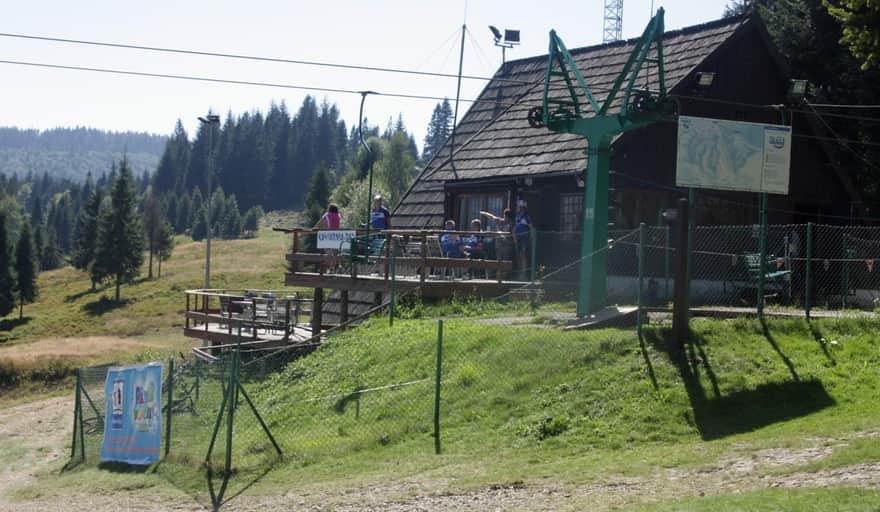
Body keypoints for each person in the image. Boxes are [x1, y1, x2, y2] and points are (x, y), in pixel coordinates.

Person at [314, 204, 341, 271]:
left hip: (328, 234)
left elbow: (319, 223)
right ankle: (332, 268)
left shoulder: (327, 214)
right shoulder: (338, 215)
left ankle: (328, 268)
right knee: (334, 253)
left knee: (328, 252)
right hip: (337, 235)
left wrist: (314, 229)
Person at [514, 200, 533, 279]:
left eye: (520, 207)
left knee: (524, 254)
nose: (518, 208)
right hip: (518, 237)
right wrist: (514, 237)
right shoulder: (517, 217)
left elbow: (531, 227)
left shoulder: (527, 217)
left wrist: (531, 236)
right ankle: (520, 271)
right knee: (519, 255)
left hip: (524, 237)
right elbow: (515, 227)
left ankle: (524, 272)